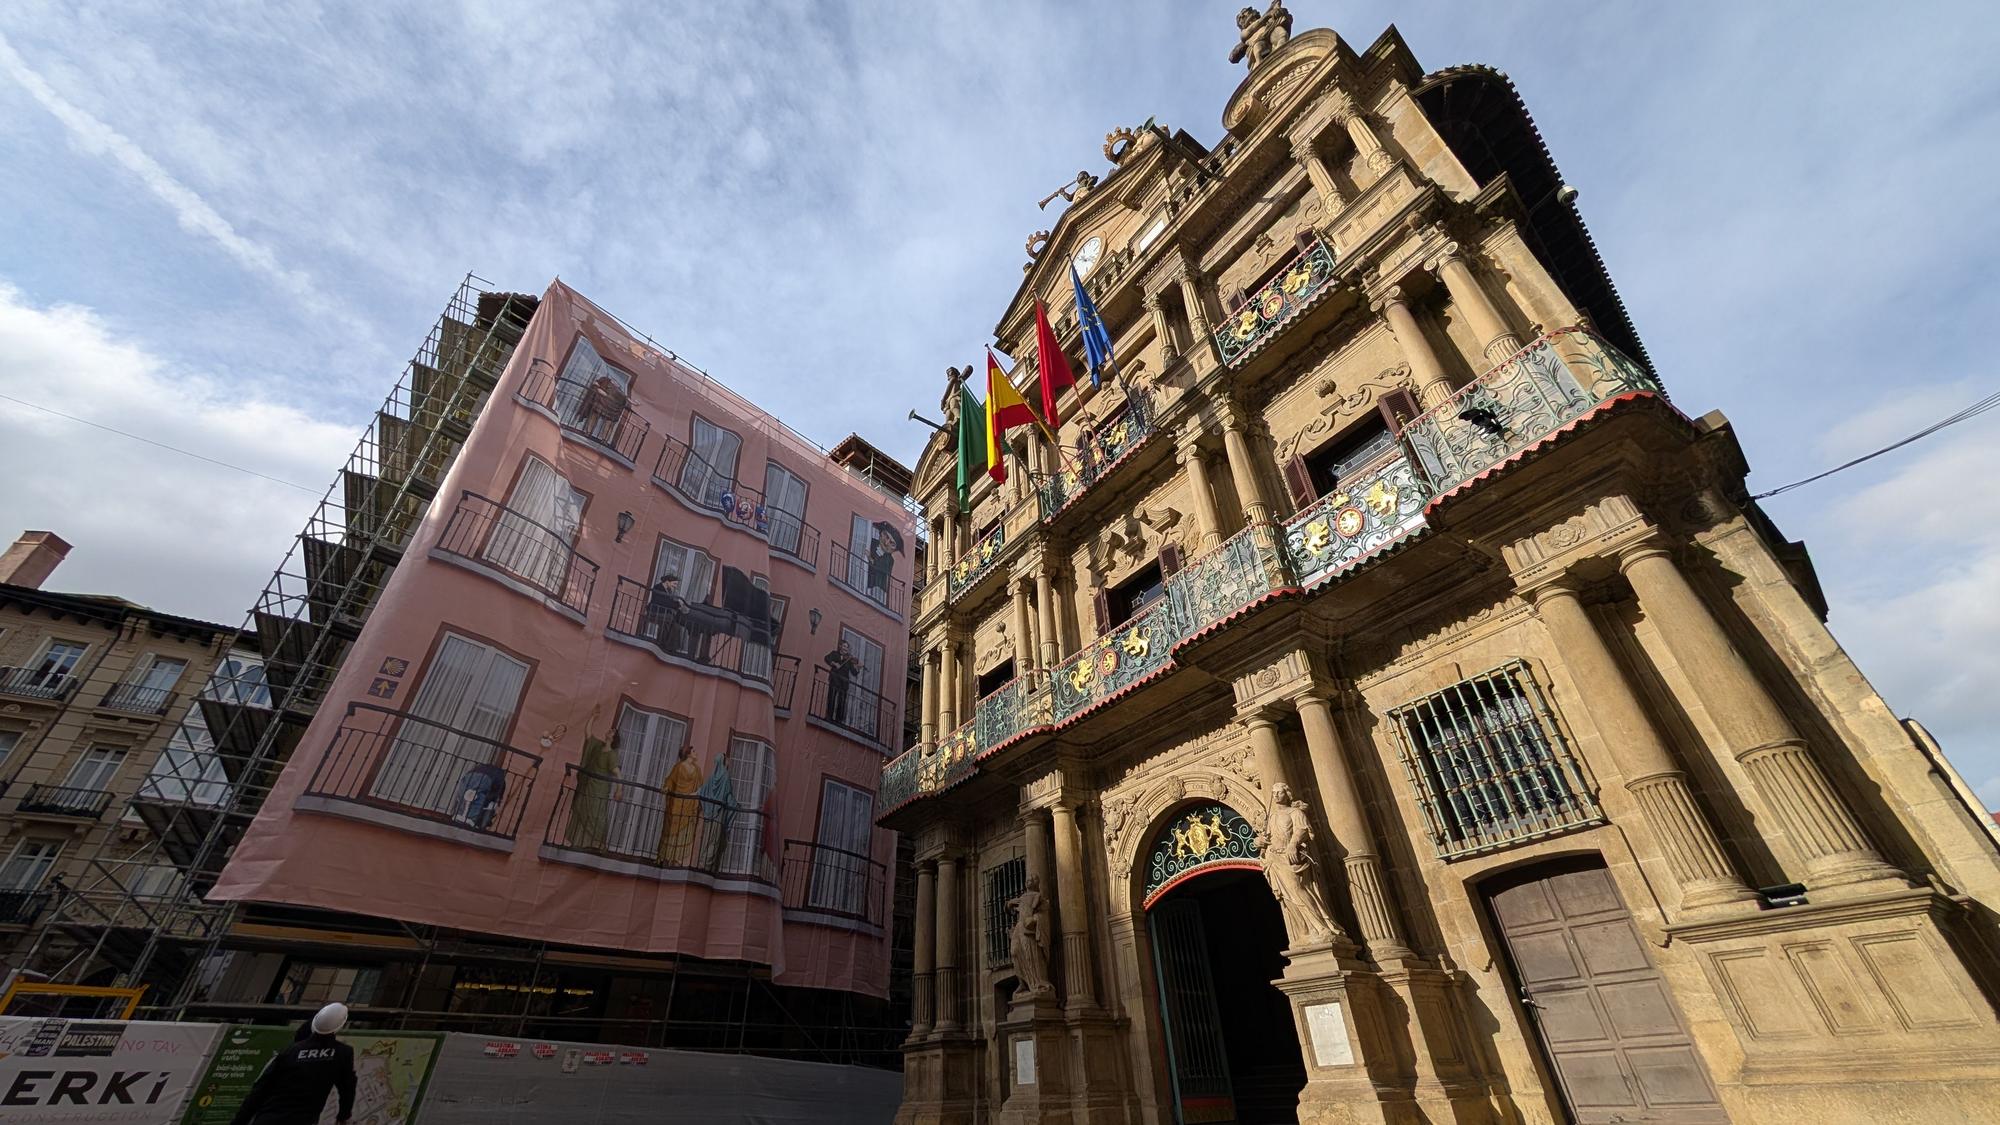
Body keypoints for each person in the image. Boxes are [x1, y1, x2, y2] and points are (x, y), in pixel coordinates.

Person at [231, 1002, 356, 1125]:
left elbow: (260, 1090)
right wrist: (344, 1115)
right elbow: (347, 1088)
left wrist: (239, 1121)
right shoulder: (342, 1053)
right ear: (341, 1025)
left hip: (269, 1117)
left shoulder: (291, 1051)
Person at [656, 744, 705, 867]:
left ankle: (676, 858)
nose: (696, 753)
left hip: (689, 803)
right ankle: (666, 856)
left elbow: (700, 786)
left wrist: (698, 793)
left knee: (684, 832)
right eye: (693, 751)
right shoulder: (679, 767)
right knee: (672, 831)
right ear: (688, 753)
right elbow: (670, 780)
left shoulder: (697, 769)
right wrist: (666, 787)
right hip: (677, 802)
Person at [644, 573, 687, 649]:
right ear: (667, 581)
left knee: (677, 626)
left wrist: (677, 605)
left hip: (662, 613)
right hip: (654, 612)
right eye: (674, 583)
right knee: (668, 619)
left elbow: (668, 603)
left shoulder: (668, 591)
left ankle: (671, 647)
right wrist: (677, 604)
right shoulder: (658, 587)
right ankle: (660, 643)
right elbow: (663, 602)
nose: (675, 586)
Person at [825, 642, 863, 727]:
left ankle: (839, 721)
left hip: (844, 683)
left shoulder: (849, 659)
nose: (846, 648)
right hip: (834, 679)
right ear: (840, 646)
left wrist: (858, 667)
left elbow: (854, 672)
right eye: (844, 646)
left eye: (847, 647)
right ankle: (829, 717)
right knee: (831, 698)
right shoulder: (834, 654)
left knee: (841, 702)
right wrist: (835, 664)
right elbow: (826, 658)